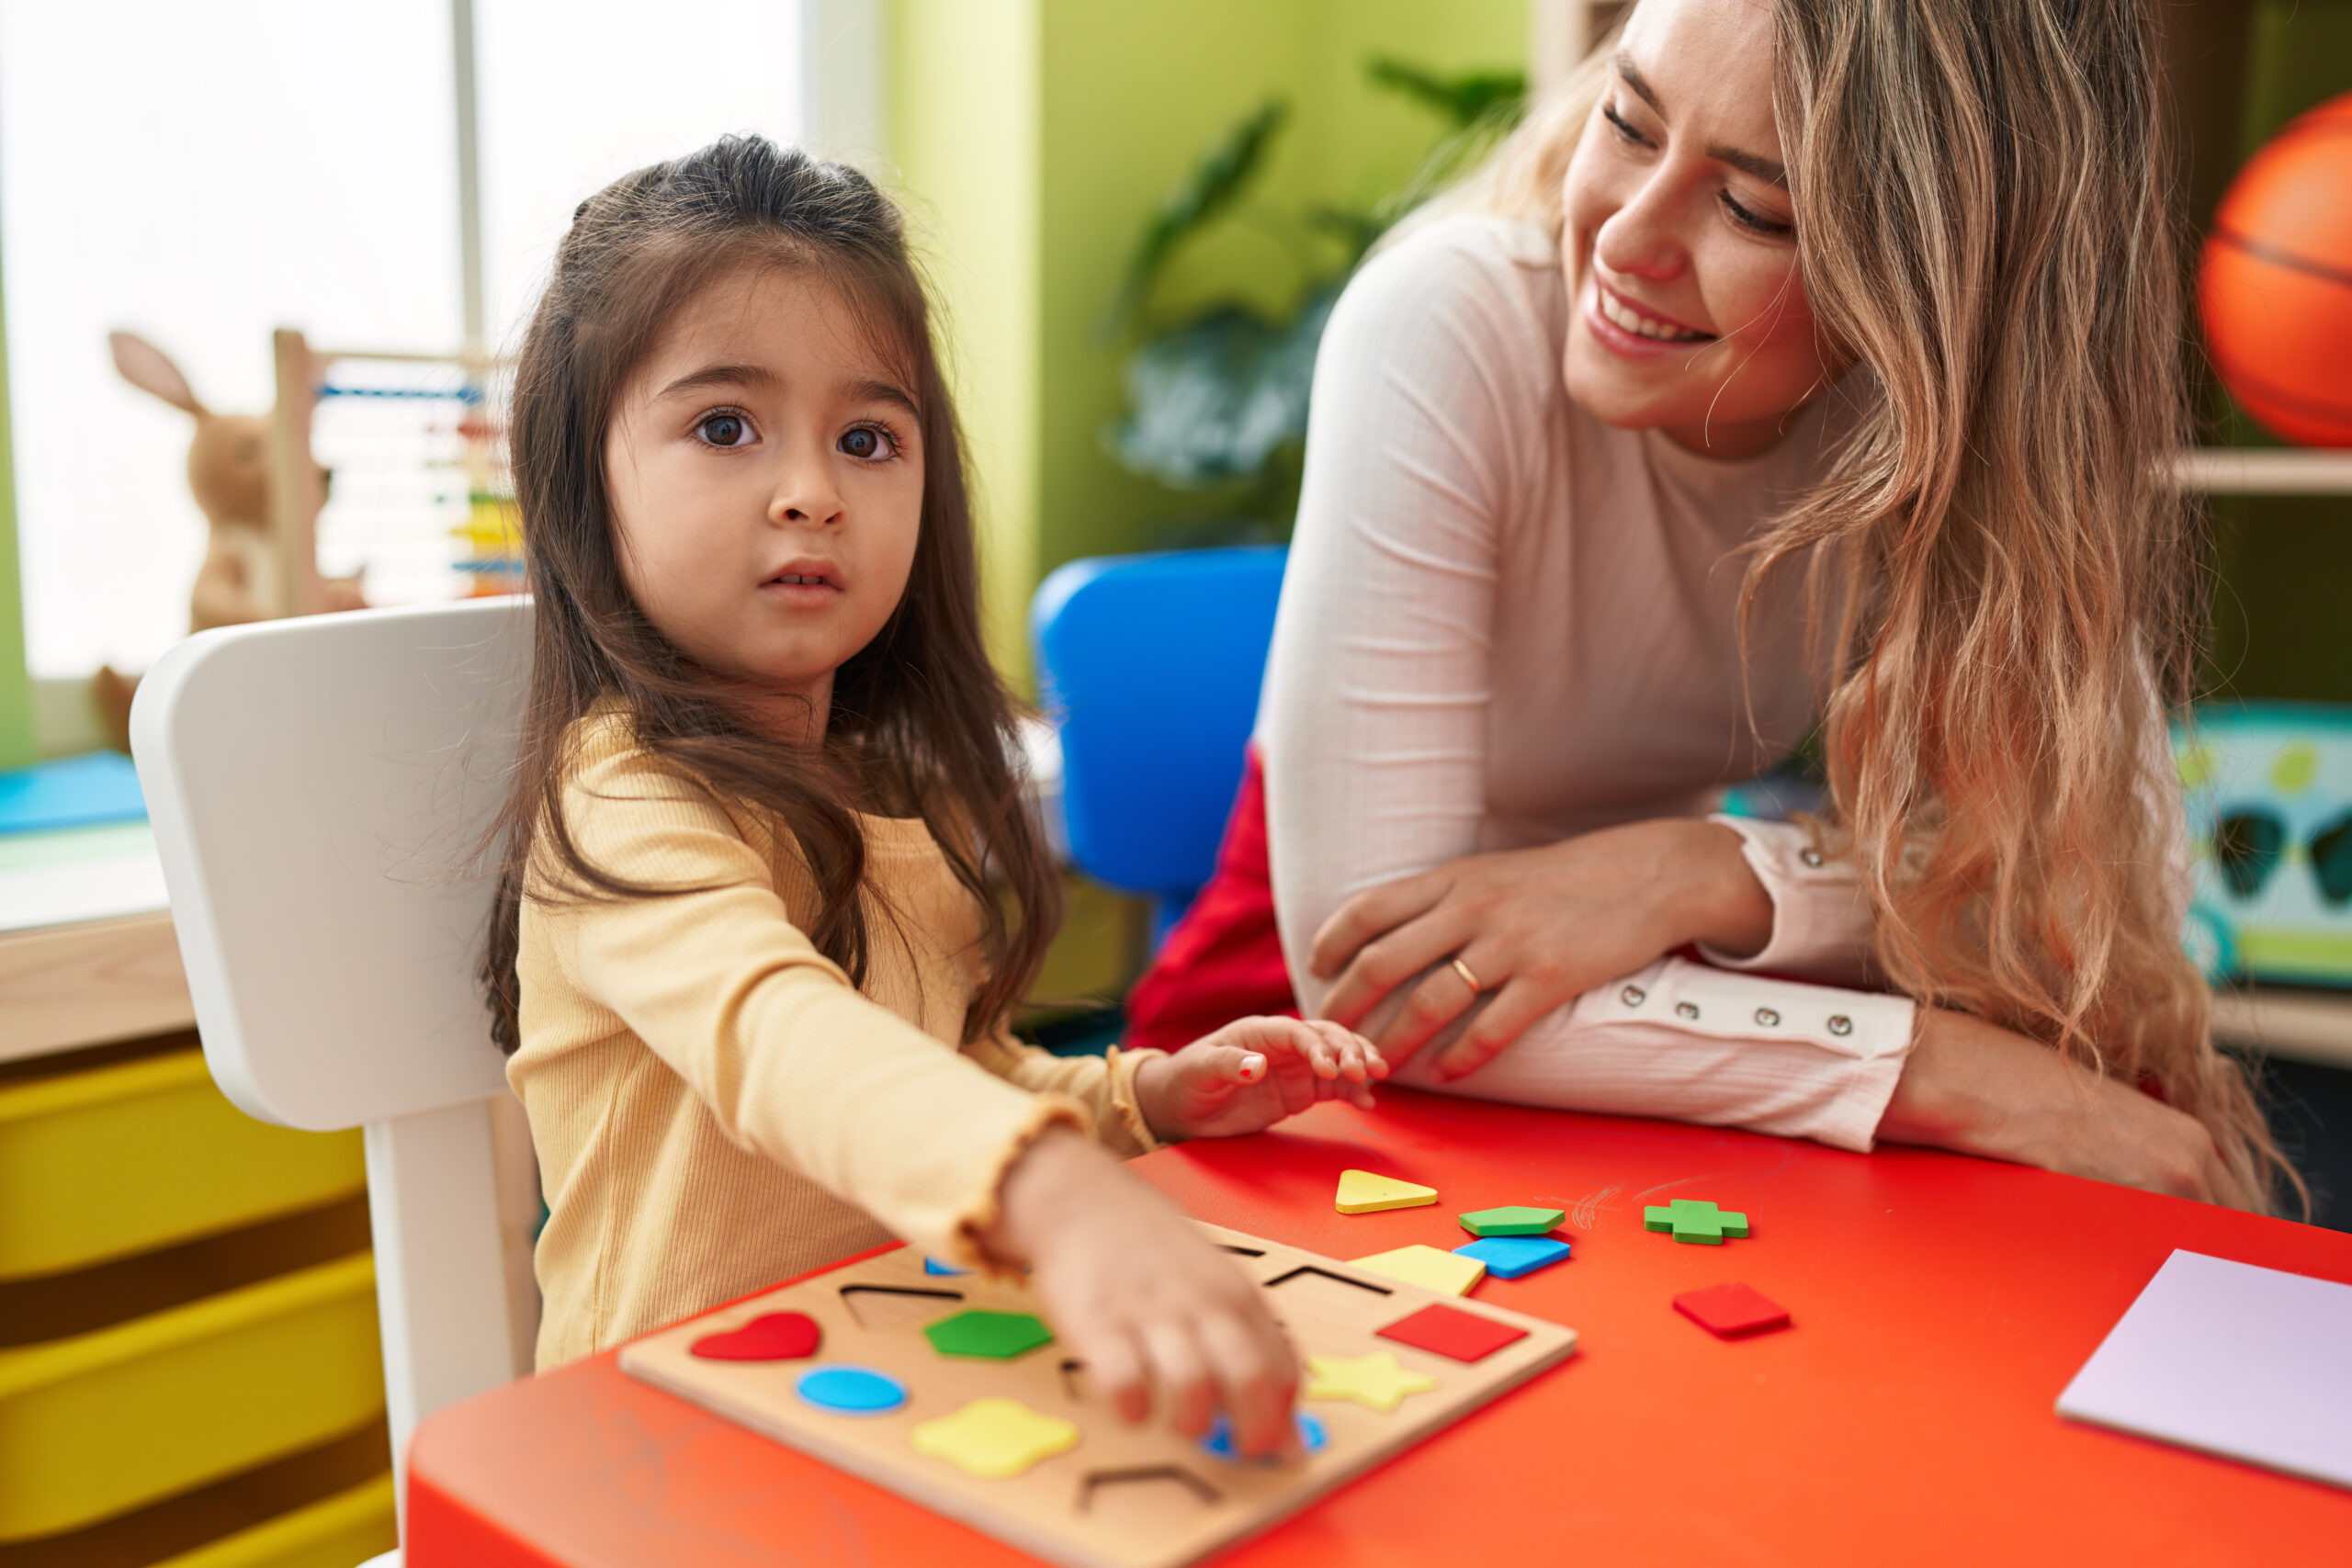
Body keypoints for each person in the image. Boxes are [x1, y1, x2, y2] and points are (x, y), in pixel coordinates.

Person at [1129, 0, 2295, 1213]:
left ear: (1935, 289)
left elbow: (2104, 890)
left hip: (1655, 1005)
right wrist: (1939, 1070)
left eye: (1753, 209)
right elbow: (1378, 994)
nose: (1628, 236)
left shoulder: (1947, 447)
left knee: (2124, 1139)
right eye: (1626, 123)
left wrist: (1713, 874)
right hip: (1309, 1048)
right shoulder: (1445, 319)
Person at [475, 137, 1385, 1455]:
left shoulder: (892, 792)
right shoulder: (618, 800)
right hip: (657, 1447)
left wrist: (1141, 1102)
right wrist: (1059, 1196)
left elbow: (952, 1070)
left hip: (889, 1395)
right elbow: (784, 1040)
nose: (812, 494)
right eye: (725, 428)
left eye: (868, 438)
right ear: (581, 478)